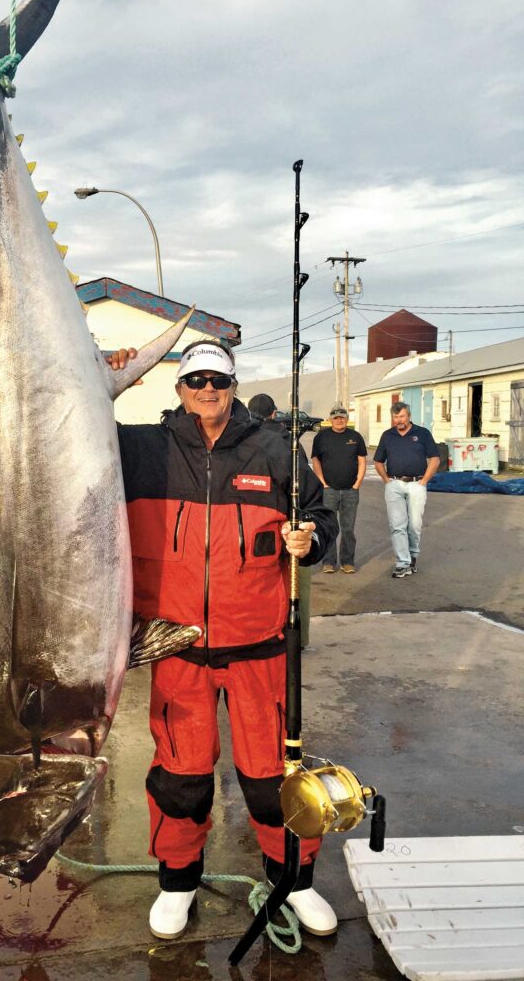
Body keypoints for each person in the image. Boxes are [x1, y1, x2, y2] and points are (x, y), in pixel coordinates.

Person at [111, 339, 339, 941]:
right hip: (175, 648)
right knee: (180, 778)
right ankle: (177, 883)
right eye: (195, 380)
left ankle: (295, 879)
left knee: (271, 777)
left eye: (218, 379)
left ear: (233, 385)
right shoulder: (141, 449)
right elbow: (71, 427)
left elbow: (321, 515)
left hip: (260, 645)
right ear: (179, 388)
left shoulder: (275, 447)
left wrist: (308, 539)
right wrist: (98, 370)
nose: (207, 389)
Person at [373, 401, 440, 578]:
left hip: (417, 484)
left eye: (402, 416)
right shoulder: (387, 436)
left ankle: (413, 556)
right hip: (394, 485)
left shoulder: (422, 434)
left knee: (415, 525)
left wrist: (424, 481)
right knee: (397, 526)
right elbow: (378, 461)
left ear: (409, 416)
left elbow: (435, 458)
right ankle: (403, 563)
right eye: (396, 417)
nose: (399, 420)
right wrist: (386, 480)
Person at [311, 405, 367, 574]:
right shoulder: (321, 437)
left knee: (348, 528)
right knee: (329, 527)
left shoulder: (355, 437)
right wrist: (323, 483)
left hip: (351, 491)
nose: (339, 420)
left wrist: (357, 483)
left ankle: (347, 561)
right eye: (336, 418)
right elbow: (315, 460)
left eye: (342, 417)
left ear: (347, 419)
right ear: (330, 420)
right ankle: (328, 561)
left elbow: (362, 462)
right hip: (329, 491)